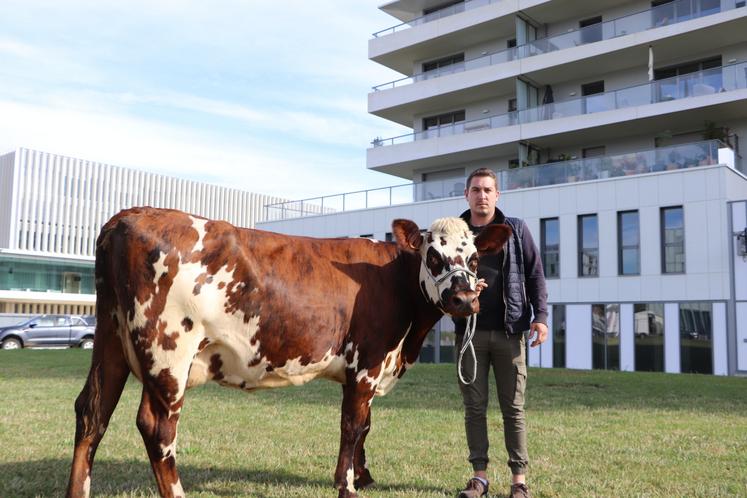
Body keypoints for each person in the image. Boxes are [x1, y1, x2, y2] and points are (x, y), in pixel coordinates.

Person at [455, 167, 548, 498]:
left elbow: (535, 275)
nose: (482, 195)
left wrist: (541, 317)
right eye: (476, 189)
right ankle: (479, 477)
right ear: (466, 195)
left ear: (497, 195)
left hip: (511, 332)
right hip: (470, 335)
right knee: (475, 408)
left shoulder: (516, 229)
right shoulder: (456, 233)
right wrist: (467, 293)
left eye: (487, 190)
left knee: (513, 408)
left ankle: (519, 482)